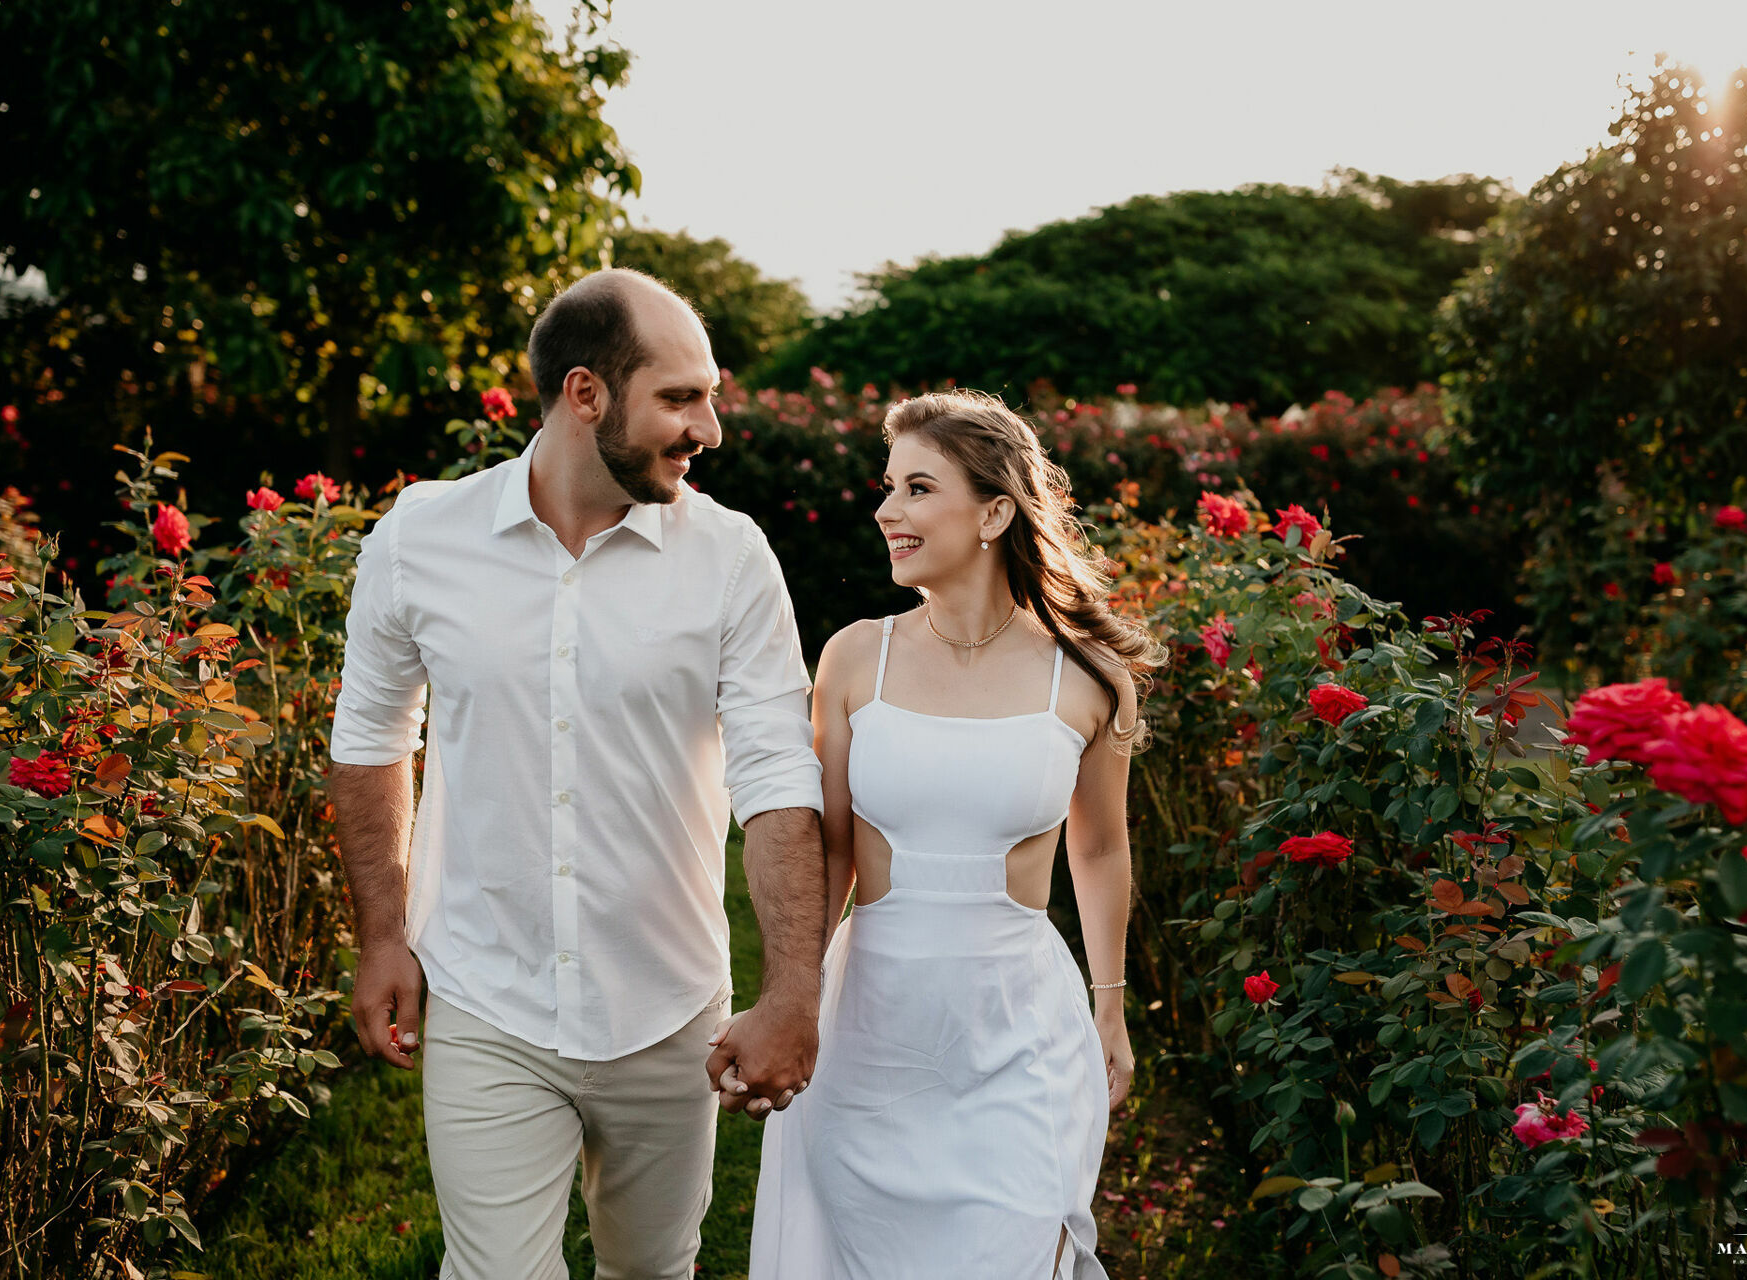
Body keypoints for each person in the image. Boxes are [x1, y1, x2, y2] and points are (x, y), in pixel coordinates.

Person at [326, 268, 827, 1280]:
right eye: (681, 398)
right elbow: (373, 734)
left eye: (709, 395)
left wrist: (792, 992)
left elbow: (778, 778)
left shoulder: (732, 557)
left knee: (651, 1269)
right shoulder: (421, 538)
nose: (711, 428)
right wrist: (383, 931)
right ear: (585, 393)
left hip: (666, 1003)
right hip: (486, 992)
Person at [741, 389, 1164, 1279]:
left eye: (918, 489)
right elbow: (832, 847)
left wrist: (1111, 1003)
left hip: (1018, 1029)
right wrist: (795, 1002)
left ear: (995, 512)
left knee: (1010, 1247)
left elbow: (1097, 849)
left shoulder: (1089, 679)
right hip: (873, 1027)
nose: (886, 511)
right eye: (889, 487)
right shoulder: (857, 656)